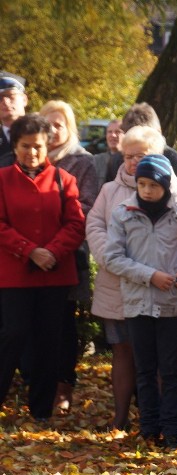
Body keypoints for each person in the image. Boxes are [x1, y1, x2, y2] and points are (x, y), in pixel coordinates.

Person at [87, 125, 177, 431]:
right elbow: (94, 225)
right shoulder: (110, 191)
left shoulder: (175, 193)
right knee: (125, 352)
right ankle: (124, 418)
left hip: (165, 293)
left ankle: (163, 423)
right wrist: (109, 257)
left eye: (140, 155)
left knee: (163, 361)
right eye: (127, 155)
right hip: (118, 284)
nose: (132, 162)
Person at [104, 154, 177, 449]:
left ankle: (172, 431)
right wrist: (149, 275)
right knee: (144, 369)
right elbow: (113, 258)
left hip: (170, 304)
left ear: (165, 186)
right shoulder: (122, 213)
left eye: (152, 185)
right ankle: (149, 428)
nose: (146, 190)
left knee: (171, 370)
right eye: (141, 184)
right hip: (137, 303)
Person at [0, 114, 85, 420]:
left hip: (54, 274)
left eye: (37, 146)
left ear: (47, 146)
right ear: (15, 146)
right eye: (25, 146)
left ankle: (40, 410)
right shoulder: (2, 179)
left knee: (50, 340)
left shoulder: (65, 180)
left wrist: (52, 251)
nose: (32, 152)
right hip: (14, 275)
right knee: (13, 336)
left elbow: (76, 224)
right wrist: (29, 250)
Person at [39, 100, 99, 410]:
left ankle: (63, 385)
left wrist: (54, 242)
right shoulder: (30, 157)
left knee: (62, 324)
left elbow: (86, 208)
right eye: (47, 124)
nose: (52, 131)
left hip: (66, 254)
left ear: (70, 128)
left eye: (59, 125)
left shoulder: (81, 162)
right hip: (31, 256)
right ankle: (37, 384)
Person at [105, 103, 177, 198]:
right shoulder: (115, 162)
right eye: (131, 139)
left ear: (158, 132)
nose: (134, 160)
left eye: (145, 139)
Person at [0, 72, 28, 168]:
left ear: (24, 99)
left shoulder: (41, 131)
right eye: (0, 98)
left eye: (10, 96)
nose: (5, 102)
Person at [93, 119, 124, 192]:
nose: (113, 135)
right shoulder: (97, 160)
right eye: (109, 132)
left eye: (117, 132)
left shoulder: (129, 161)